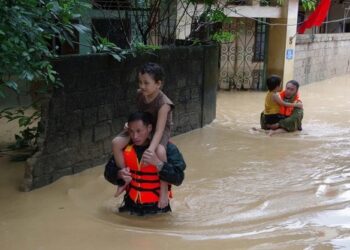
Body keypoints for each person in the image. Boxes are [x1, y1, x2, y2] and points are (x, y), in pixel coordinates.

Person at [112, 63, 174, 209]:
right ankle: (125, 178)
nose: (142, 86)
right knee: (116, 143)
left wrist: (151, 149)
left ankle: (164, 190)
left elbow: (159, 130)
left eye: (146, 83)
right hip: (142, 128)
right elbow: (138, 116)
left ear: (158, 84)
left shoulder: (164, 104)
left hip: (159, 129)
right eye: (140, 82)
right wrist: (129, 125)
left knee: (160, 151)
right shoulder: (140, 95)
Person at [104, 112, 186, 216]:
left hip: (159, 209)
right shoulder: (124, 148)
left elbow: (179, 178)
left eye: (139, 131)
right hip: (130, 206)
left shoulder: (167, 149)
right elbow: (107, 172)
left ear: (149, 128)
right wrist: (119, 174)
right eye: (132, 131)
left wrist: (159, 164)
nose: (135, 136)